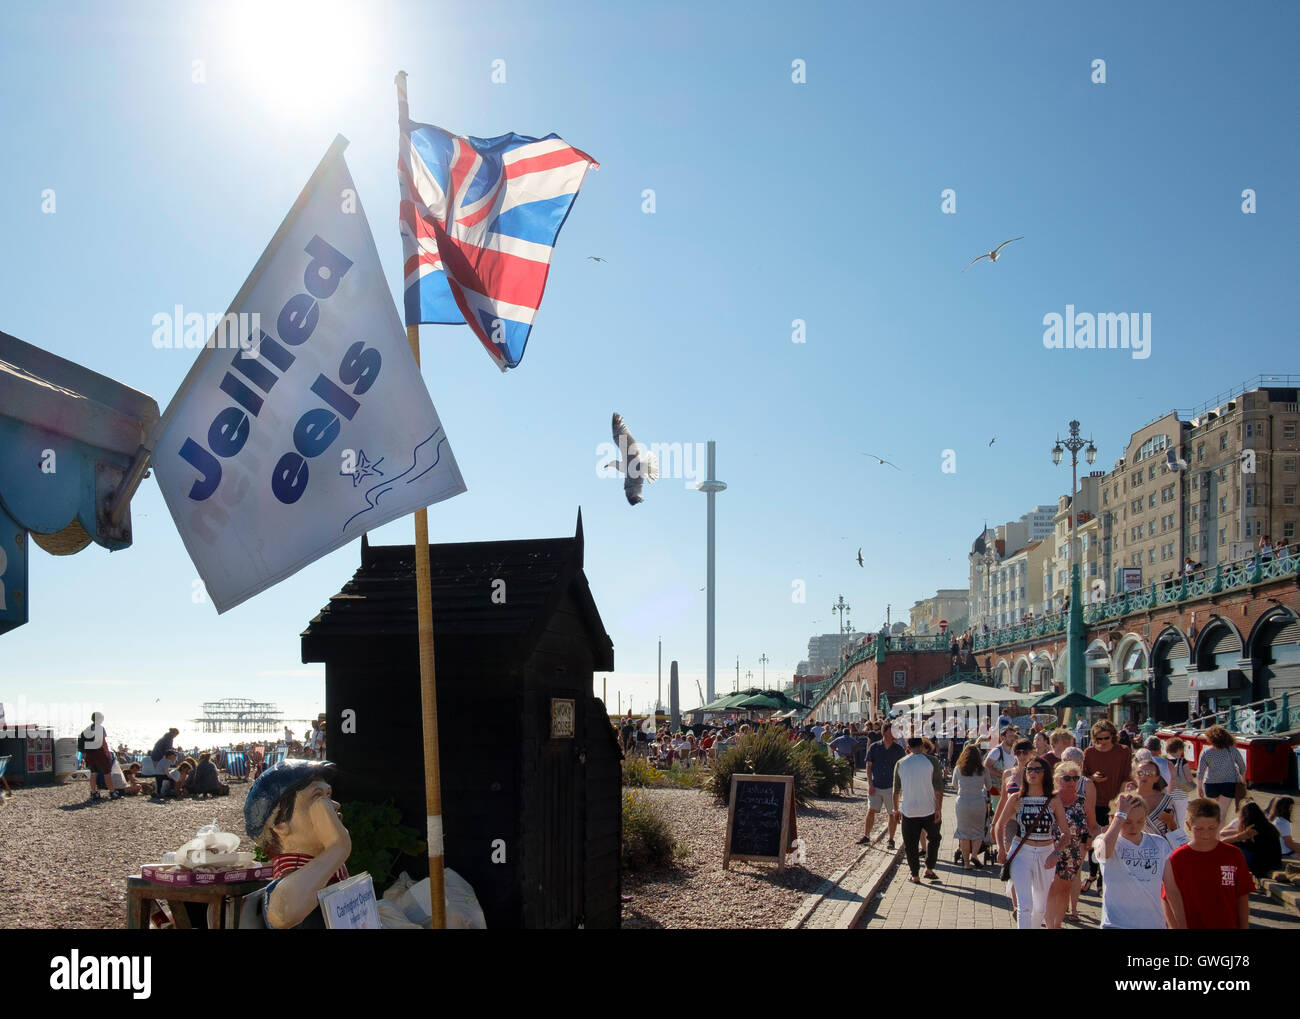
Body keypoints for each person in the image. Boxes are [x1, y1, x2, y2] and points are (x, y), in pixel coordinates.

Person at [243, 760, 351, 929]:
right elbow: (282, 913)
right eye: (318, 799)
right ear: (280, 825)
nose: (335, 806)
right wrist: (337, 847)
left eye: (329, 796)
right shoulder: (289, 890)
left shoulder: (329, 874)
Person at [995, 753, 1071, 929]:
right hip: (1021, 853)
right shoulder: (1017, 798)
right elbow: (999, 825)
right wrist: (1001, 849)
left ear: (1045, 773)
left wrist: (1056, 853)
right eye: (1030, 769)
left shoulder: (1053, 800)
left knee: (1040, 907)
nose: (1033, 772)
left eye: (1038, 769)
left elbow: (1066, 833)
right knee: (1025, 906)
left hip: (1046, 854)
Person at [1162, 798, 1254, 929]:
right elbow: (1167, 899)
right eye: (1199, 829)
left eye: (1211, 828)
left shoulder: (1233, 855)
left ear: (1219, 824)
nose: (1206, 834)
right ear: (1188, 826)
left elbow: (1242, 896)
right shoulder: (1177, 858)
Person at [1092, 792, 1173, 929]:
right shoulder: (1104, 840)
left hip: (1153, 924)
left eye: (1140, 821)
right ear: (1115, 818)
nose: (1134, 827)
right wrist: (1120, 815)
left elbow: (1171, 889)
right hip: (1116, 924)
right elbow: (1104, 852)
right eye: (1127, 821)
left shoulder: (1159, 843)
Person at [1082, 719, 1132, 893]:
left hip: (1114, 802)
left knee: (1112, 839)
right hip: (1094, 802)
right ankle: (1092, 874)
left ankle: (1105, 878)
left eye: (1106, 738)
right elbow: (1083, 776)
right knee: (1094, 837)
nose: (1103, 742)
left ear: (1113, 736)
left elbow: (1127, 776)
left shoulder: (1123, 751)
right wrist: (1093, 778)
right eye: (1099, 739)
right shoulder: (1089, 752)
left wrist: (1120, 798)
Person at [1047, 755, 1098, 926]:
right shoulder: (1049, 799)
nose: (1071, 781)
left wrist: (1091, 839)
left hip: (1074, 851)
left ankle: (1057, 923)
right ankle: (1049, 923)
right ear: (1057, 779)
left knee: (1065, 889)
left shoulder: (1082, 802)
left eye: (1075, 778)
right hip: (1050, 849)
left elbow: (1094, 825)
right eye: (1067, 778)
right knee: (1051, 888)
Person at [894, 737, 944, 884]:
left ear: (908, 747)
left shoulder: (900, 763)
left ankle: (915, 875)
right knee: (934, 838)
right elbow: (939, 787)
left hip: (909, 810)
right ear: (922, 746)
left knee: (911, 844)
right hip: (929, 809)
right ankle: (929, 868)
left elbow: (896, 789)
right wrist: (939, 808)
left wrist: (896, 809)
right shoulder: (932, 761)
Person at [1196, 725, 1246, 831]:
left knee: (1213, 813)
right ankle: (1218, 835)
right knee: (1222, 813)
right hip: (1229, 783)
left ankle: (1213, 832)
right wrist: (1243, 780)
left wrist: (1199, 787)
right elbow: (1242, 767)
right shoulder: (1232, 750)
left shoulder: (1206, 752)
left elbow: (1200, 771)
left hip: (1211, 785)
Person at [862, 722, 905, 846]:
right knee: (871, 810)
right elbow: (868, 766)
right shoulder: (874, 747)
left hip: (891, 787)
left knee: (891, 813)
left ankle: (891, 839)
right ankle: (866, 835)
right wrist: (870, 784)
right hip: (876, 785)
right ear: (885, 732)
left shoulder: (899, 749)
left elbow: (903, 767)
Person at [952, 743, 991, 870]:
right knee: (978, 831)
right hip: (978, 802)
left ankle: (967, 864)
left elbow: (954, 785)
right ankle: (974, 855)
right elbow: (989, 786)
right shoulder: (983, 769)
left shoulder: (958, 768)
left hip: (962, 801)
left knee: (963, 833)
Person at [1220, 801, 1283, 879]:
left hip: (1265, 864)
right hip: (1271, 861)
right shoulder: (1265, 825)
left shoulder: (1255, 829)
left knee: (1231, 847)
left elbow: (1233, 839)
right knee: (1235, 846)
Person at [79, 712, 117, 801]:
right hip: (100, 754)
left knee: (93, 773)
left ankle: (94, 792)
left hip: (90, 755)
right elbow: (102, 742)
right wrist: (107, 754)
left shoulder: (87, 729)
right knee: (107, 773)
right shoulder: (100, 728)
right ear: (100, 719)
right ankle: (112, 792)